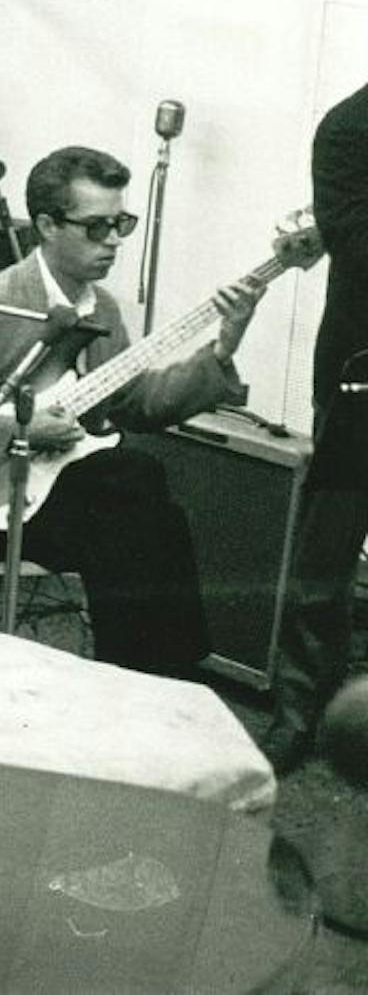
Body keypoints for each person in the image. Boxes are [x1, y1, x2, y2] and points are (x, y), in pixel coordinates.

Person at [0, 145, 264, 676]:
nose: (113, 243)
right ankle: (153, 681)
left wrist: (223, 348)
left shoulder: (101, 308)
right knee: (134, 492)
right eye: (96, 227)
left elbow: (134, 403)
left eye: (121, 224)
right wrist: (19, 429)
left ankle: (142, 677)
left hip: (57, 490)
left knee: (141, 509)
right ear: (47, 226)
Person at [265, 84, 368, 771]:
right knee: (325, 564)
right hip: (363, 371)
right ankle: (301, 719)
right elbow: (359, 244)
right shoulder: (348, 130)